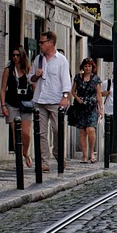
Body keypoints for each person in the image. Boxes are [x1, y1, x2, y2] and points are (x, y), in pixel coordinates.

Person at [30, 30, 72, 164]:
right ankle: (44, 162)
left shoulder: (61, 60)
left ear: (51, 43)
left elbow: (66, 81)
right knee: (41, 132)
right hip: (40, 99)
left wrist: (65, 97)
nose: (40, 45)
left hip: (56, 101)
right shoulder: (38, 59)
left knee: (58, 130)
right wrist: (35, 76)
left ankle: (58, 153)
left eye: (42, 42)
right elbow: (30, 78)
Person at [0, 46, 34, 168]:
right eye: (13, 55)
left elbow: (34, 86)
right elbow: (3, 89)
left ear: (22, 56)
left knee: (26, 133)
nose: (15, 57)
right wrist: (3, 105)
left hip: (26, 104)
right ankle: (18, 159)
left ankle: (26, 153)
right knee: (16, 132)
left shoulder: (28, 69)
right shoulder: (8, 70)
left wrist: (35, 101)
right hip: (12, 104)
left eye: (18, 55)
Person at [72, 58, 101, 163]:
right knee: (82, 131)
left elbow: (98, 94)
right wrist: (77, 98)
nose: (87, 68)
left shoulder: (96, 79)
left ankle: (91, 152)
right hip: (81, 107)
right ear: (82, 67)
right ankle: (84, 155)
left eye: (89, 66)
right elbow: (73, 91)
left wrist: (101, 108)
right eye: (85, 66)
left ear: (92, 67)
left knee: (90, 129)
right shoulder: (78, 77)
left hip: (92, 107)